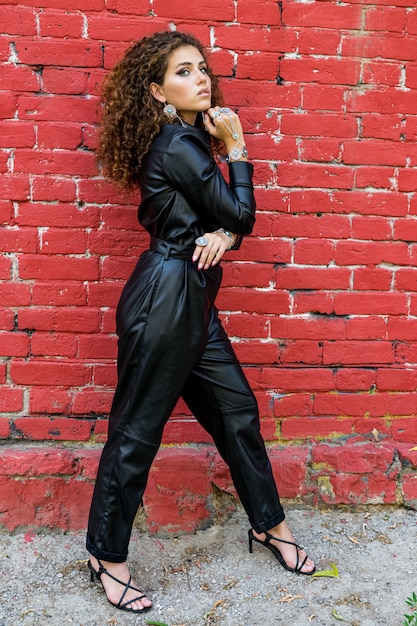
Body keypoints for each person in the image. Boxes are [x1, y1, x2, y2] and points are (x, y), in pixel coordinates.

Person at [86, 30, 315, 614]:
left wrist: (225, 233)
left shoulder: (188, 140)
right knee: (137, 433)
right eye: (183, 72)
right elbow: (239, 210)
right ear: (158, 90)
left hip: (190, 301)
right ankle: (106, 555)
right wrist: (237, 149)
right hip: (165, 301)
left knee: (236, 412)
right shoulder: (179, 144)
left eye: (201, 68)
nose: (200, 78)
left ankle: (269, 525)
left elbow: (221, 218)